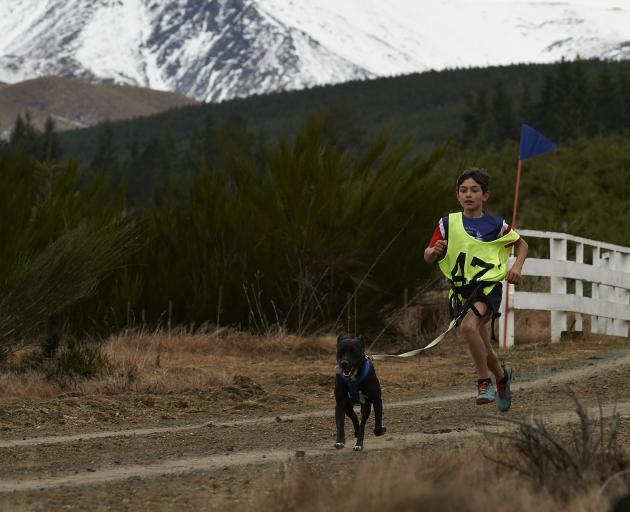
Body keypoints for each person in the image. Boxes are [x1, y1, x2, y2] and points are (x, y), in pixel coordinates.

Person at [424, 168, 528, 412]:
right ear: (457, 195)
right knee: (483, 347)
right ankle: (502, 377)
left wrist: (517, 267)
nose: (468, 195)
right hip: (461, 292)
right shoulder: (448, 223)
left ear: (485, 196)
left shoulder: (495, 225)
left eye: (474, 190)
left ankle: (484, 383)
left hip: (487, 288)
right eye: (463, 190)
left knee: (469, 328)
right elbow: (428, 256)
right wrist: (434, 251)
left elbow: (522, 244)